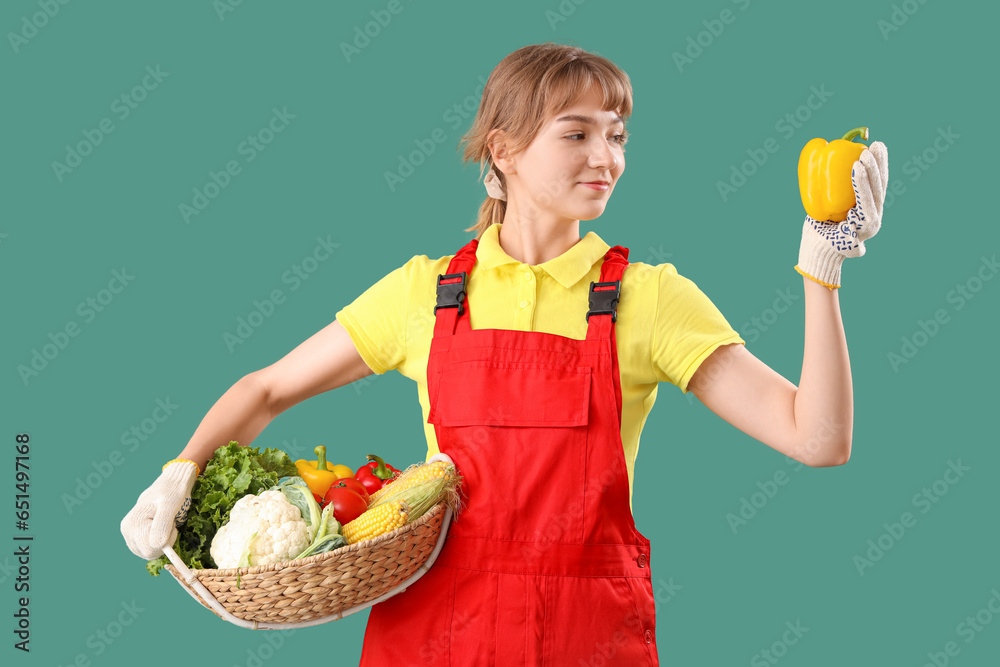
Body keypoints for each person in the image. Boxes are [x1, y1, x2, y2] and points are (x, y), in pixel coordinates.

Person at [121, 42, 888, 665]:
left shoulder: (649, 298)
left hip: (587, 638)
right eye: (577, 132)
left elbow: (816, 438)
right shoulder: (426, 292)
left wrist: (823, 268)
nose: (607, 157)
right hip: (431, 635)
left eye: (618, 134)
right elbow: (267, 389)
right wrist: (181, 471)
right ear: (505, 149)